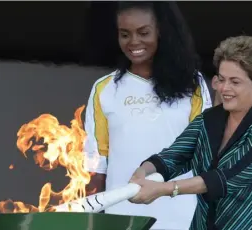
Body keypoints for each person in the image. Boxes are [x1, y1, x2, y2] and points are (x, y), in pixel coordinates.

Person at [129, 35, 252, 230]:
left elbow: (224, 179)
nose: (225, 88)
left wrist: (163, 190)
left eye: (235, 82)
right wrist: (143, 171)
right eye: (222, 79)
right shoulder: (207, 120)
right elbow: (172, 157)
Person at [83, 2, 212, 229]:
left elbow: (204, 152)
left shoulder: (193, 84)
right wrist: (90, 218)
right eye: (125, 34)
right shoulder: (105, 89)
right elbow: (97, 165)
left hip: (180, 216)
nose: (134, 42)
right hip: (122, 219)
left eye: (143, 33)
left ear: (161, 31)